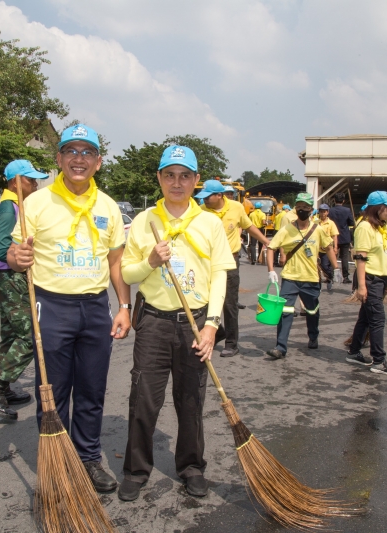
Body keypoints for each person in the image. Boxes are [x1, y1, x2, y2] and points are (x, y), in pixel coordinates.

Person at [7, 123, 131, 493]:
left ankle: (88, 458)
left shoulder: (107, 206)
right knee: (54, 391)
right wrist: (17, 257)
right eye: (71, 151)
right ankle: (55, 463)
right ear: (59, 158)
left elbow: (115, 262)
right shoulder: (36, 202)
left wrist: (124, 305)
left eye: (87, 152)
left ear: (98, 162)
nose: (79, 159)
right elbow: (15, 257)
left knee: (92, 390)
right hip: (51, 305)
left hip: (95, 308)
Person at [119, 145, 235, 501]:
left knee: (190, 400)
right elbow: (127, 271)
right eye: (169, 174)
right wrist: (151, 261)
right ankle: (136, 470)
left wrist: (212, 325)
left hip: (195, 323)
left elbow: (219, 277)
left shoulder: (210, 223)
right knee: (143, 399)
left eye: (185, 175)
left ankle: (191, 466)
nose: (177, 182)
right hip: (152, 322)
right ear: (159, 178)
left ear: (196, 181)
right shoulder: (143, 222)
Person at [0, 160, 48, 421]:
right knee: (29, 335)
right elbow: (0, 249)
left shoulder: (14, 204)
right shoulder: (9, 207)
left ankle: (4, 388)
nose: (35, 184)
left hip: (7, 279)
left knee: (10, 336)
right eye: (30, 180)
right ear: (16, 181)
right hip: (10, 278)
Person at [198, 180, 269, 357]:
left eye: (208, 197)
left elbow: (249, 226)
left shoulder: (236, 208)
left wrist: (265, 241)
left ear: (219, 195)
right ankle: (218, 331)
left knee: (229, 304)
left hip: (230, 261)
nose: (204, 200)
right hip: (207, 263)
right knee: (203, 302)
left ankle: (232, 343)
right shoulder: (200, 211)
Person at [265, 192, 337, 358]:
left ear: (311, 210)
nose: (301, 210)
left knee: (312, 311)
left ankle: (313, 336)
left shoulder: (318, 230)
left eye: (305, 207)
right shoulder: (287, 229)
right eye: (299, 207)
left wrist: (336, 269)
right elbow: (270, 248)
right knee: (285, 311)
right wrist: (271, 270)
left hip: (310, 278)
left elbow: (328, 247)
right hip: (290, 277)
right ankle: (280, 347)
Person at [345, 191, 387, 376]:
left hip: (381, 278)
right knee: (377, 320)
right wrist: (362, 286)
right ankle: (379, 360)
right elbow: (361, 258)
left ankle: (354, 351)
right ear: (378, 208)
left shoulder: (382, 227)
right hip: (370, 279)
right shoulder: (365, 228)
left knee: (366, 318)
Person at [328, 193, 355, 283]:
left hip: (332, 236)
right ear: (343, 201)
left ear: (334, 201)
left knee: (332, 256)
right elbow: (351, 222)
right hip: (344, 236)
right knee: (344, 258)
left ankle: (331, 276)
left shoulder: (330, 211)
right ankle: (345, 277)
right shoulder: (347, 210)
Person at [316, 203, 339, 290]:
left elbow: (334, 236)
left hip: (327, 250)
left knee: (325, 266)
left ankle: (329, 278)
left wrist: (335, 247)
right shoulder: (316, 223)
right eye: (321, 212)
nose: (322, 214)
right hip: (317, 249)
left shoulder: (331, 223)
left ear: (327, 212)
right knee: (316, 267)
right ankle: (318, 284)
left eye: (324, 212)